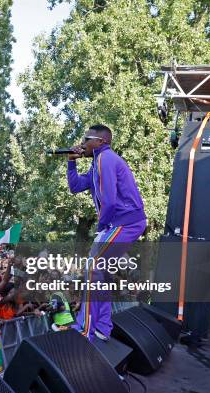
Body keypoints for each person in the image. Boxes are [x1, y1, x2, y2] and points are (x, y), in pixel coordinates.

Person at [67, 124, 146, 341]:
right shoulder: (97, 163)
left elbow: (109, 201)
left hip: (124, 223)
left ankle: (85, 329)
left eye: (86, 139)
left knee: (93, 269)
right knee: (99, 274)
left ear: (100, 141)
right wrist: (71, 161)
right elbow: (75, 186)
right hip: (121, 223)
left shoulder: (106, 159)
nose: (82, 143)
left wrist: (101, 228)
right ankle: (102, 326)